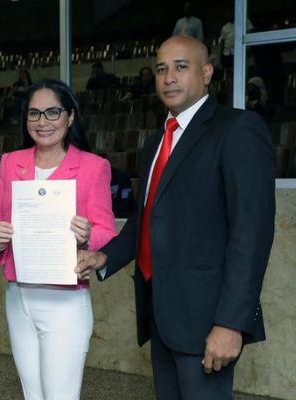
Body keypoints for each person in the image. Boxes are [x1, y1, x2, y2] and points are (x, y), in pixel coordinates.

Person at [75, 35, 275, 399]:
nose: (169, 77)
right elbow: (145, 219)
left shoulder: (237, 129)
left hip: (207, 321)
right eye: (162, 69)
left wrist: (231, 323)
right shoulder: (156, 141)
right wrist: (106, 257)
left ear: (207, 73)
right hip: (161, 315)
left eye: (181, 67)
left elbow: (252, 233)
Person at [0, 79, 117, 399]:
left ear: (70, 117)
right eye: (34, 114)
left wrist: (87, 235)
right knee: (32, 394)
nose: (42, 122)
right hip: (18, 297)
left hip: (65, 301)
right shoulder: (9, 163)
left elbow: (108, 234)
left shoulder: (93, 167)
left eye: (52, 112)